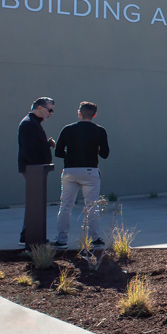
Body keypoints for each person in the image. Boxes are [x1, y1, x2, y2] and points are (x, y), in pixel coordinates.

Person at [53, 101, 111, 247]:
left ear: (79, 112)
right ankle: (94, 238)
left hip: (70, 170)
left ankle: (61, 240)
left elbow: (58, 152)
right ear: (94, 115)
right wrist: (93, 149)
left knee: (65, 205)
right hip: (90, 171)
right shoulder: (100, 131)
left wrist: (70, 153)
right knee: (92, 206)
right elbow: (105, 154)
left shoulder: (67, 129)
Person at [18, 97, 57, 244]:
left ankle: (26, 236)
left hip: (36, 170)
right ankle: (31, 238)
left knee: (35, 204)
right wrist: (37, 169)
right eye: (49, 109)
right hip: (33, 170)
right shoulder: (29, 124)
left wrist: (47, 145)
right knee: (35, 205)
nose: (51, 113)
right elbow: (28, 150)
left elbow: (34, 145)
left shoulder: (34, 123)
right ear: (39, 108)